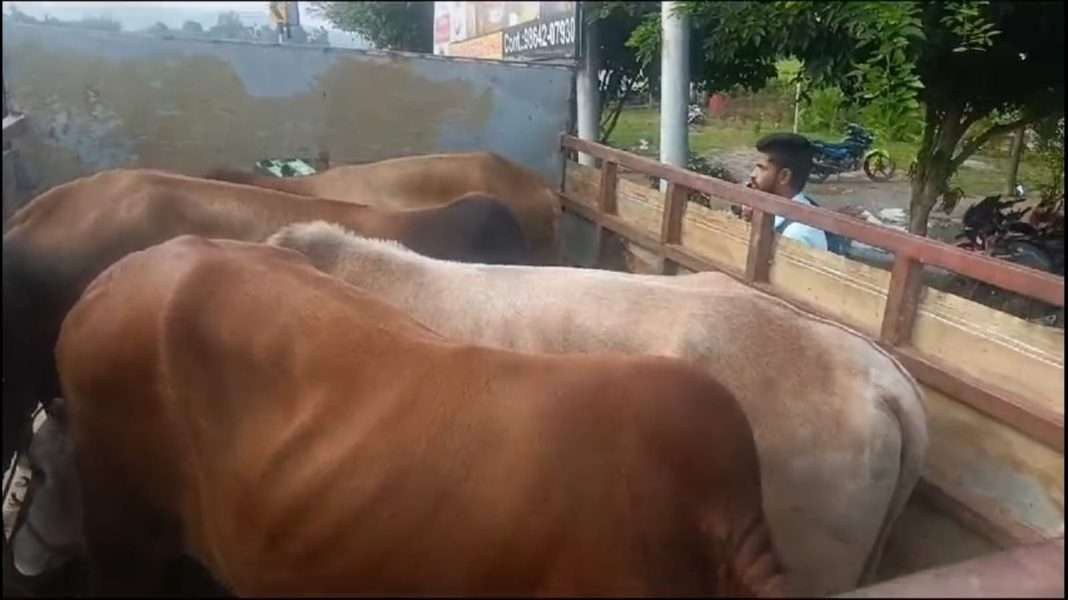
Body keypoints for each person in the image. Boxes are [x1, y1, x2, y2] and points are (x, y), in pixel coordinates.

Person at [742, 133, 829, 251]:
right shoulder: (779, 215)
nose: (753, 175)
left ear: (784, 176)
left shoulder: (795, 234)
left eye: (761, 168)